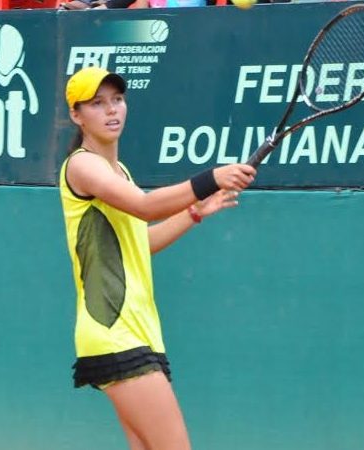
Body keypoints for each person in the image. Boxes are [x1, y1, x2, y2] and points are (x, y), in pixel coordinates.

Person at [59, 66, 256, 450]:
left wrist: (195, 212)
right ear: (76, 115)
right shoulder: (82, 165)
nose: (112, 110)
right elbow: (147, 207)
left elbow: (140, 243)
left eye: (117, 99)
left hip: (139, 332)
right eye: (97, 104)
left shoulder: (122, 172)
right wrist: (212, 177)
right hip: (114, 331)